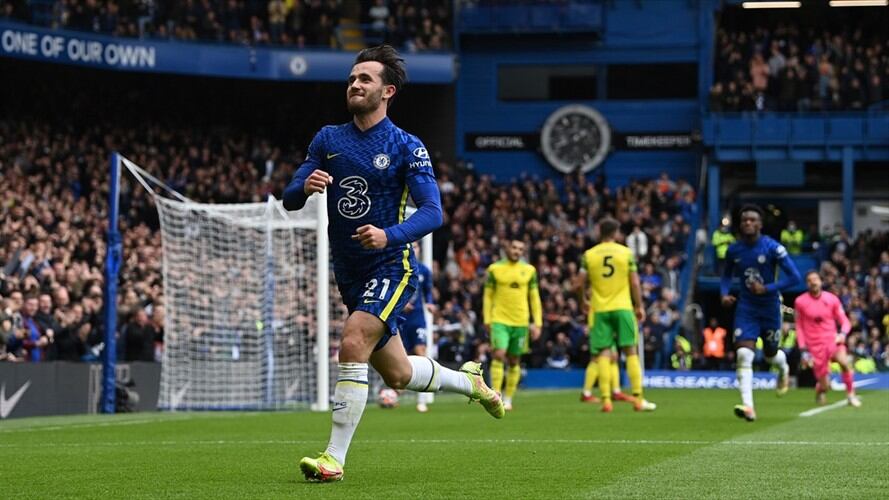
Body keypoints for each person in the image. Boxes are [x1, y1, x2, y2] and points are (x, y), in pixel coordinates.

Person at [283, 45, 503, 483]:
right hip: (347, 271)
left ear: (387, 91)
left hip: (390, 263)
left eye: (364, 79)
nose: (354, 84)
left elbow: (432, 212)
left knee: (352, 341)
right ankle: (470, 382)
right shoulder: (328, 139)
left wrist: (389, 234)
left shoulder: (405, 146)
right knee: (400, 375)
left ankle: (333, 458)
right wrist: (303, 185)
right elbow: (290, 198)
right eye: (351, 78)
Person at [720, 204, 801, 422]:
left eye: (752, 220)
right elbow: (726, 275)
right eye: (744, 219)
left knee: (770, 354)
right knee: (744, 354)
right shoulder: (733, 250)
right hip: (746, 307)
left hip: (770, 307)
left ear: (760, 224)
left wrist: (767, 288)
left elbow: (795, 277)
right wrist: (724, 293)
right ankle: (749, 407)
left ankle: (783, 371)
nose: (748, 223)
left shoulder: (773, 248)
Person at [577, 218, 656, 413]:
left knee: (603, 353)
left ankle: (606, 400)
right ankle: (638, 399)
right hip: (623, 307)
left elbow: (578, 283)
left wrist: (583, 302)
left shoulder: (589, 255)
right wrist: (639, 306)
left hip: (600, 309)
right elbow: (635, 283)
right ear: (617, 233)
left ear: (599, 231)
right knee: (630, 351)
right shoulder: (626, 253)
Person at [483, 239, 542, 411]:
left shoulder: (529, 270)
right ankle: (496, 394)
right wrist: (487, 319)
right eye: (514, 247)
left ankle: (508, 398)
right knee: (499, 354)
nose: (517, 251)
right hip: (500, 320)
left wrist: (537, 323)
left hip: (521, 322)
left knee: (514, 360)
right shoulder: (495, 269)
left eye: (520, 249)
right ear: (507, 248)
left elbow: (534, 298)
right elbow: (487, 296)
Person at [793, 270, 861, 407]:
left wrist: (842, 334)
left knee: (844, 362)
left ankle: (850, 395)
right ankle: (820, 389)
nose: (813, 282)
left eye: (816, 279)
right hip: (814, 346)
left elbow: (845, 321)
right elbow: (799, 327)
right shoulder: (800, 301)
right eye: (810, 280)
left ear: (821, 281)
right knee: (825, 385)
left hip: (832, 340)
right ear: (807, 284)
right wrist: (803, 349)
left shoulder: (832, 299)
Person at [400, 242, 436, 412]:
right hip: (400, 319)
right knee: (402, 358)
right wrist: (401, 304)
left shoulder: (424, 270)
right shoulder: (398, 267)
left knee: (421, 352)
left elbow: (428, 291)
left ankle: (422, 399)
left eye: (416, 245)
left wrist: (430, 303)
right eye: (411, 245)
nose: (414, 248)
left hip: (417, 319)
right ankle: (396, 393)